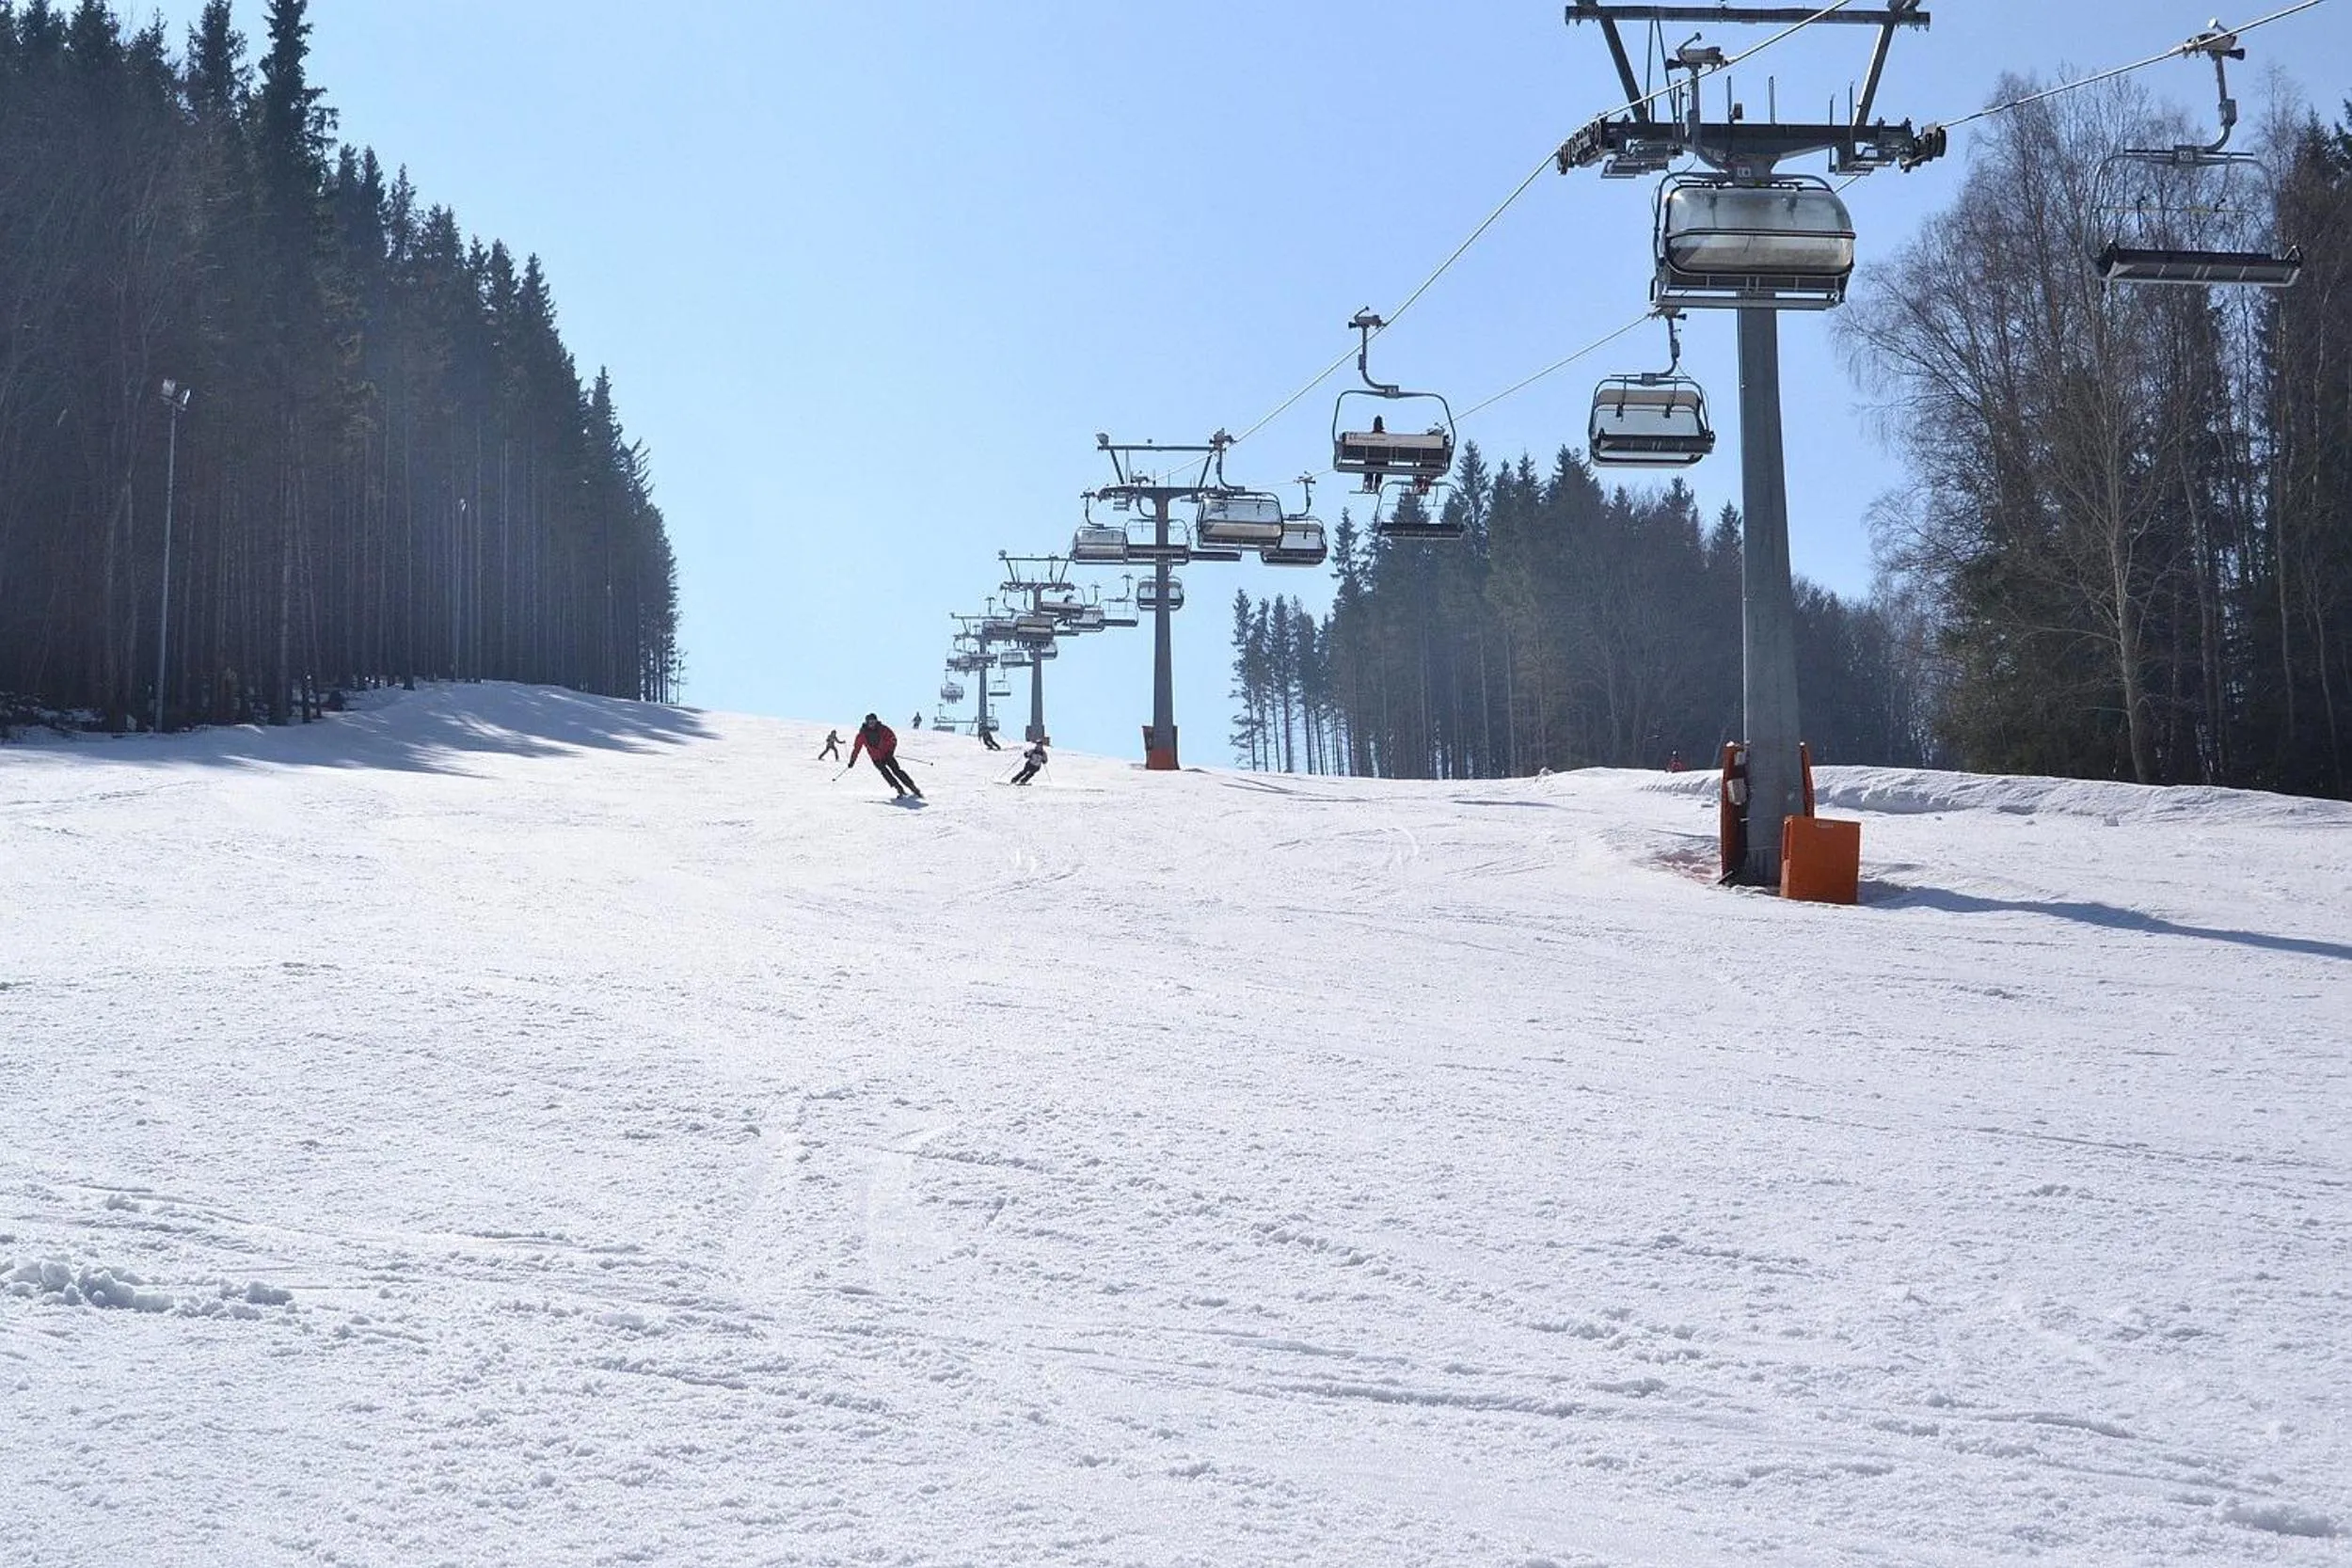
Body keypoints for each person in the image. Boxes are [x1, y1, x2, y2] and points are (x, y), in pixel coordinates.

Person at [850, 713, 922, 798]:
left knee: (897, 771)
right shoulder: (862, 734)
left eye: (874, 721)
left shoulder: (883, 729)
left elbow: (893, 739)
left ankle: (913, 787)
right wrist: (852, 761)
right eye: (870, 722)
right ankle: (899, 789)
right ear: (867, 722)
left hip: (887, 755)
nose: (872, 724)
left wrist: (890, 751)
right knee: (885, 773)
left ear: (876, 721)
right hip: (876, 758)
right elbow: (856, 748)